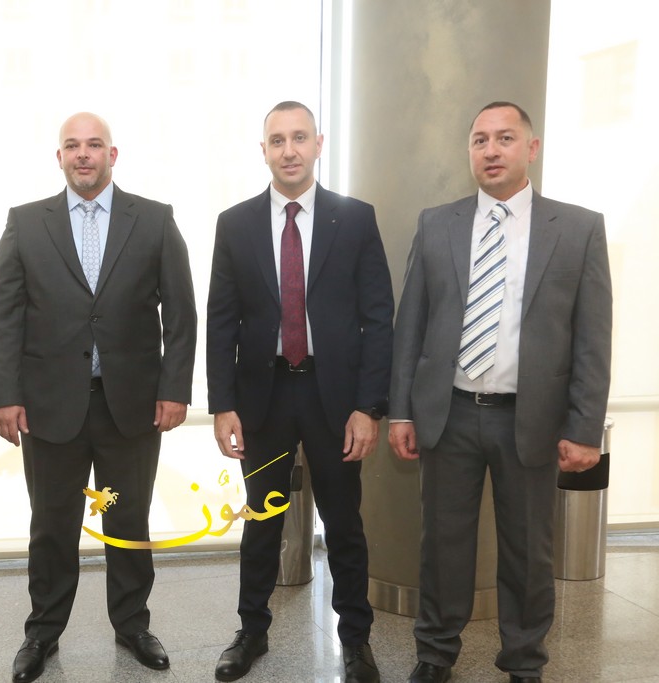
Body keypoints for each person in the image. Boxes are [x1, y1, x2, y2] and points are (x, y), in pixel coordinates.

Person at [389, 101, 612, 683]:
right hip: (450, 414)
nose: (491, 150)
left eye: (505, 138)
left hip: (531, 419)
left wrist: (585, 428)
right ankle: (435, 653)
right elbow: (411, 326)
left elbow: (593, 337)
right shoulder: (436, 224)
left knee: (528, 551)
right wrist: (400, 412)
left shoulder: (579, 228)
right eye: (480, 140)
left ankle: (524, 660)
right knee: (443, 546)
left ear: (531, 148)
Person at [0, 112, 196, 683]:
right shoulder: (25, 223)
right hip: (49, 404)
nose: (84, 154)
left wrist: (175, 389)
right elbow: (3, 316)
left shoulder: (154, 220)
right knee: (52, 524)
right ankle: (42, 632)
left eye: (94, 145)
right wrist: (5, 395)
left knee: (129, 519)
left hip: (132, 404)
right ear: (59, 157)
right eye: (73, 146)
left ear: (112, 155)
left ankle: (132, 624)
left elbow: (181, 314)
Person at [206, 100, 393, 683]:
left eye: (299, 138)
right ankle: (251, 631)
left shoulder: (354, 219)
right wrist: (222, 405)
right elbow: (221, 321)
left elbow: (378, 317)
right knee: (262, 520)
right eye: (277, 140)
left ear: (318, 144)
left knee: (344, 524)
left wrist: (369, 407)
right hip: (263, 398)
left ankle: (355, 641)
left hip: (334, 398)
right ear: (263, 150)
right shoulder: (235, 224)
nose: (289, 150)